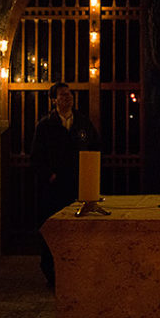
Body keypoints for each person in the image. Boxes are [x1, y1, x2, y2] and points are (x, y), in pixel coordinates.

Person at [31, 82, 99, 286]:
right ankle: (52, 272)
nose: (68, 97)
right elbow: (36, 157)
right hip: (55, 188)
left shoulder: (83, 124)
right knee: (54, 230)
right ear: (54, 100)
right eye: (62, 95)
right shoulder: (45, 126)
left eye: (69, 94)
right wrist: (50, 176)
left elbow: (95, 150)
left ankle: (77, 270)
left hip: (78, 187)